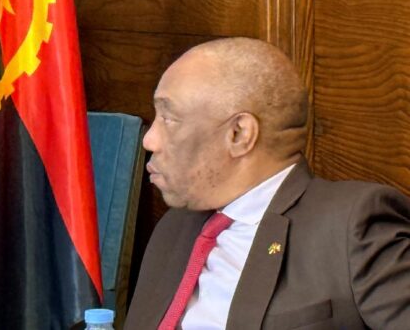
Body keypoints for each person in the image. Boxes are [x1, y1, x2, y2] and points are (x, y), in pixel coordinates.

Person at [126, 37, 410, 329]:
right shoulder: (176, 226)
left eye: (170, 119)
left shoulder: (352, 225)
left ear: (239, 134)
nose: (150, 140)